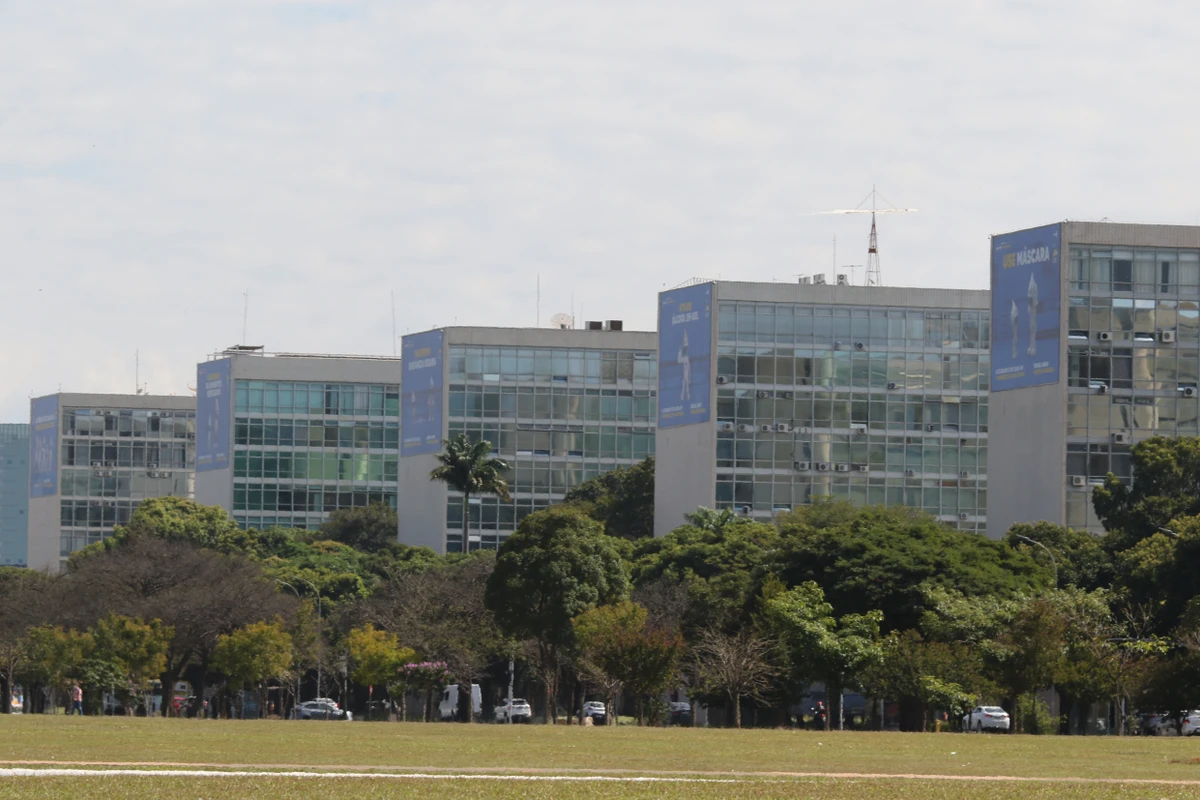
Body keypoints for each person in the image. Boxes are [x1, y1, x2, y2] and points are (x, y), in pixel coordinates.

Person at [677, 328, 691, 404]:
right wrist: (680, 351)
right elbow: (679, 360)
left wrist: (689, 377)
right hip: (683, 375)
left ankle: (688, 397)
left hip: (686, 374)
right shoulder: (682, 358)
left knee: (687, 387)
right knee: (683, 387)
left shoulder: (687, 358)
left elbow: (689, 368)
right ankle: (682, 398)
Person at [1027, 273, 1039, 357]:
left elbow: (1030, 297)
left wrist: (1030, 306)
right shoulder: (1034, 285)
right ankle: (1032, 347)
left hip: (1032, 308)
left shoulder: (1032, 285)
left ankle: (1032, 348)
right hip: (1033, 308)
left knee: (1032, 329)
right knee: (1032, 329)